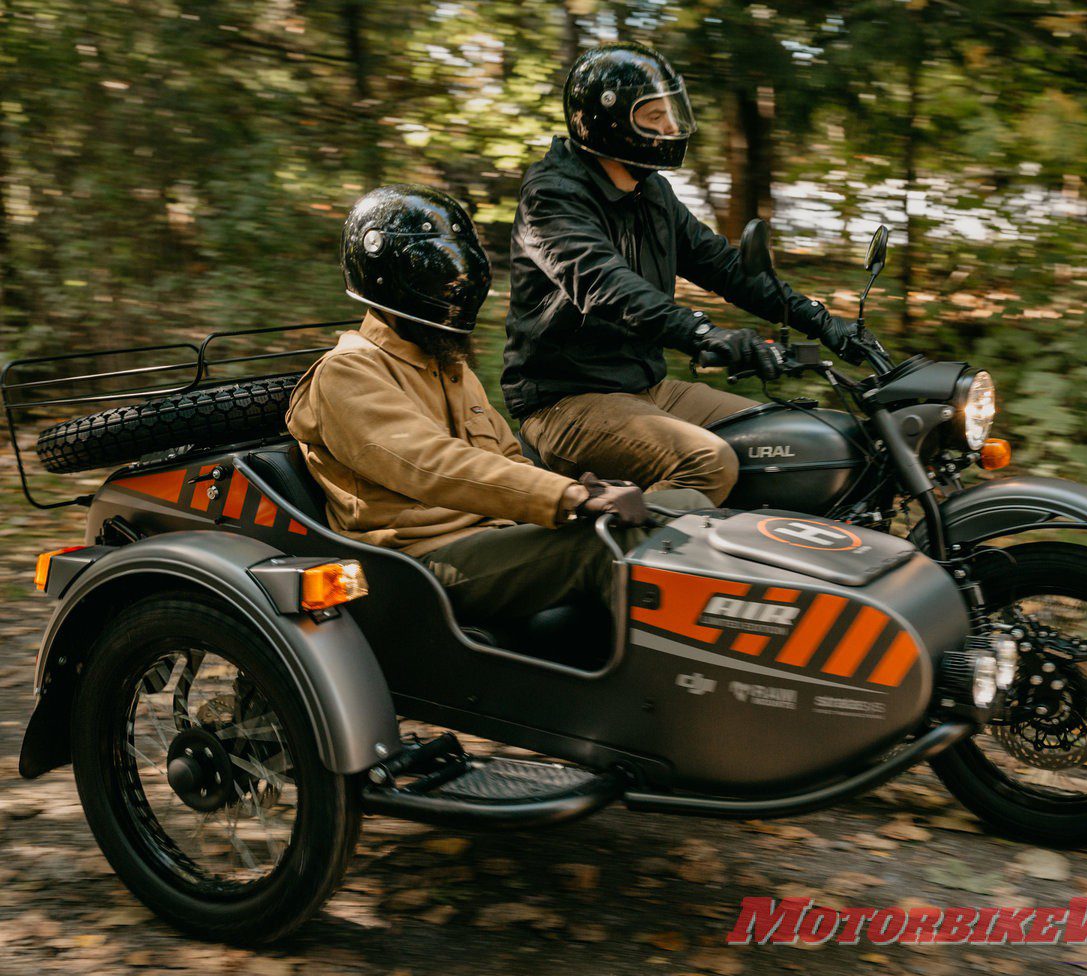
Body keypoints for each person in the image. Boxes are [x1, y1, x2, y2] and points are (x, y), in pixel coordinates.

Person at [286, 183, 703, 634]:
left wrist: (586, 490)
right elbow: (434, 466)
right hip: (421, 563)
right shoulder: (349, 372)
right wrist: (570, 498)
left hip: (495, 534)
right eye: (438, 280)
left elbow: (504, 459)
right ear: (391, 281)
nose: (454, 290)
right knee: (612, 545)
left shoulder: (445, 364)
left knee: (688, 507)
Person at [503, 42, 862, 505]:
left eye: (671, 114)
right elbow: (606, 284)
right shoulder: (553, 196)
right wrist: (703, 334)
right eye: (654, 117)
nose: (671, 128)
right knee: (709, 462)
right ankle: (610, 540)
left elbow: (724, 266)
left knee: (792, 439)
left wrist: (821, 321)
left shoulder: (652, 193)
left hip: (648, 389)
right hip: (566, 404)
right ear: (610, 123)